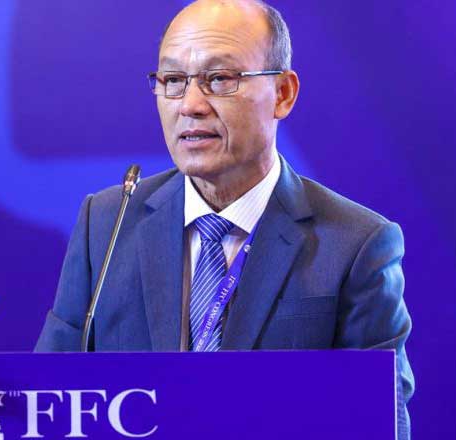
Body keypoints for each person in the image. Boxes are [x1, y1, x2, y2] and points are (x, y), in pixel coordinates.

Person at [35, 0, 413, 437]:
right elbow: (48, 402)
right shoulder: (107, 223)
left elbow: (379, 423)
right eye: (173, 80)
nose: (191, 104)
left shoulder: (355, 244)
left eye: (219, 79)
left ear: (283, 94)